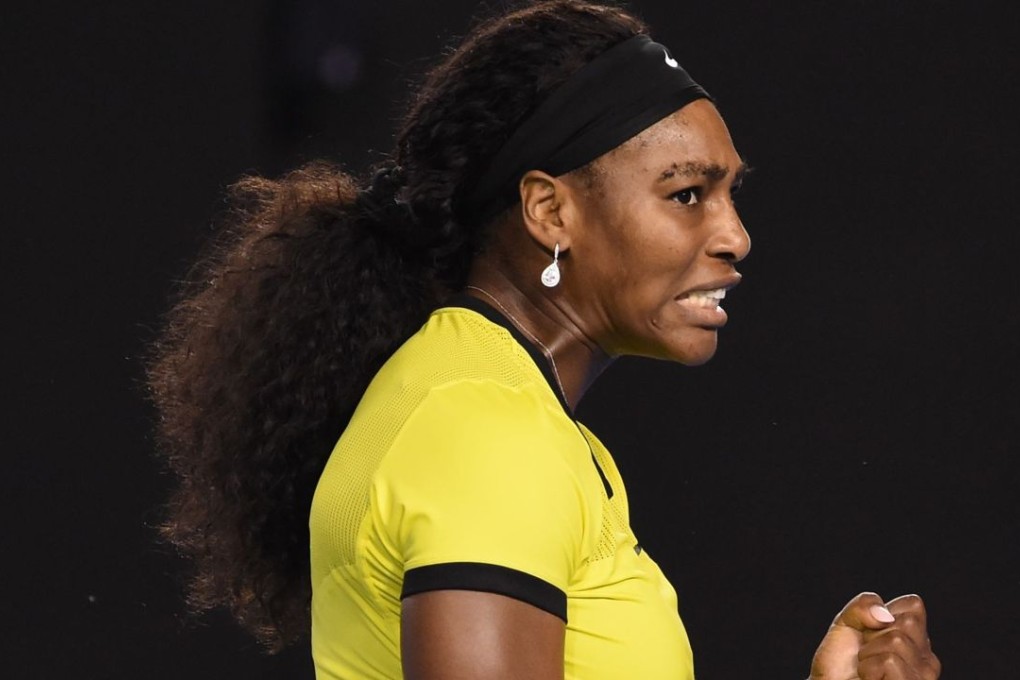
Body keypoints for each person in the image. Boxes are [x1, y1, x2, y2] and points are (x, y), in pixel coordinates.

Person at [147, 1, 941, 678]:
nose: (735, 235)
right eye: (688, 194)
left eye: (730, 194)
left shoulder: (486, 403)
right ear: (550, 212)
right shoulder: (486, 432)